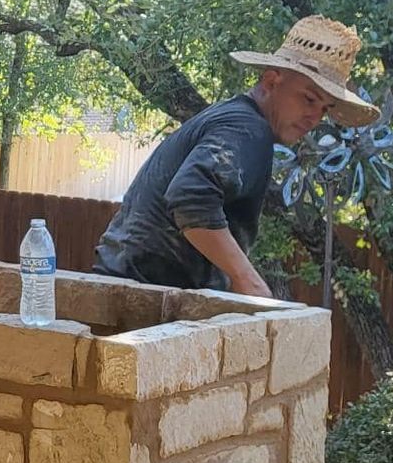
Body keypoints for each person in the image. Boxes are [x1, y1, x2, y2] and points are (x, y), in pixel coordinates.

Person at [93, 16, 378, 297]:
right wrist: (249, 282)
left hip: (126, 288)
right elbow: (191, 198)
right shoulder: (248, 129)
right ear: (270, 81)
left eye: (325, 109)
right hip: (145, 301)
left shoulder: (234, 118)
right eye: (309, 99)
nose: (315, 117)